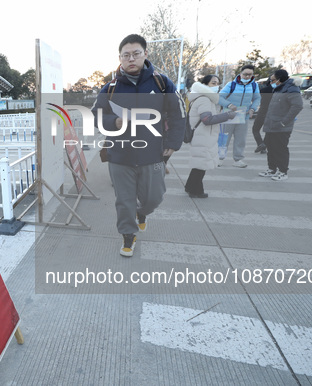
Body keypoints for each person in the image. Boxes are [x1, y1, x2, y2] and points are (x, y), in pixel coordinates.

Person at [91, 34, 186, 257]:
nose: (131, 59)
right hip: (119, 155)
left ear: (145, 54)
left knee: (154, 198)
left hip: (152, 153)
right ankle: (128, 235)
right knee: (124, 201)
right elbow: (95, 115)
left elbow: (178, 113)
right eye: (126, 55)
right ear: (120, 58)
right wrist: (113, 122)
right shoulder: (110, 88)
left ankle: (142, 213)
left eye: (136, 54)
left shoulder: (162, 83)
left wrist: (173, 143)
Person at [185, 75, 236, 198]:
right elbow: (207, 119)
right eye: (213, 83)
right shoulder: (204, 99)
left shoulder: (201, 98)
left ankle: (190, 187)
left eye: (217, 83)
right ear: (205, 85)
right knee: (202, 165)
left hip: (202, 135)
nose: (216, 86)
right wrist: (227, 115)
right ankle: (196, 191)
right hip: (203, 136)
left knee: (199, 163)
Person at [259, 69, 303, 181]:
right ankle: (272, 169)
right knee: (270, 147)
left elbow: (297, 106)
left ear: (280, 78)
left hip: (281, 127)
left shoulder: (292, 88)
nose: (271, 82)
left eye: (273, 80)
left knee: (280, 149)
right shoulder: (279, 88)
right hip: (271, 125)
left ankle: (283, 172)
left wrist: (284, 122)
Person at [218, 64, 261, 167]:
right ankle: (219, 158)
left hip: (243, 116)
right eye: (245, 74)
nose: (247, 77)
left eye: (250, 75)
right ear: (240, 73)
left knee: (240, 139)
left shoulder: (254, 86)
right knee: (224, 138)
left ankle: (238, 160)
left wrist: (252, 109)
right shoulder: (231, 85)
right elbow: (219, 97)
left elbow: (257, 99)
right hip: (229, 115)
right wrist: (229, 104)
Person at [251, 78, 273, 154]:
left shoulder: (263, 90)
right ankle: (263, 146)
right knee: (268, 131)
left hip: (262, 112)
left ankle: (261, 144)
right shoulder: (280, 91)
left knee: (255, 129)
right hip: (272, 114)